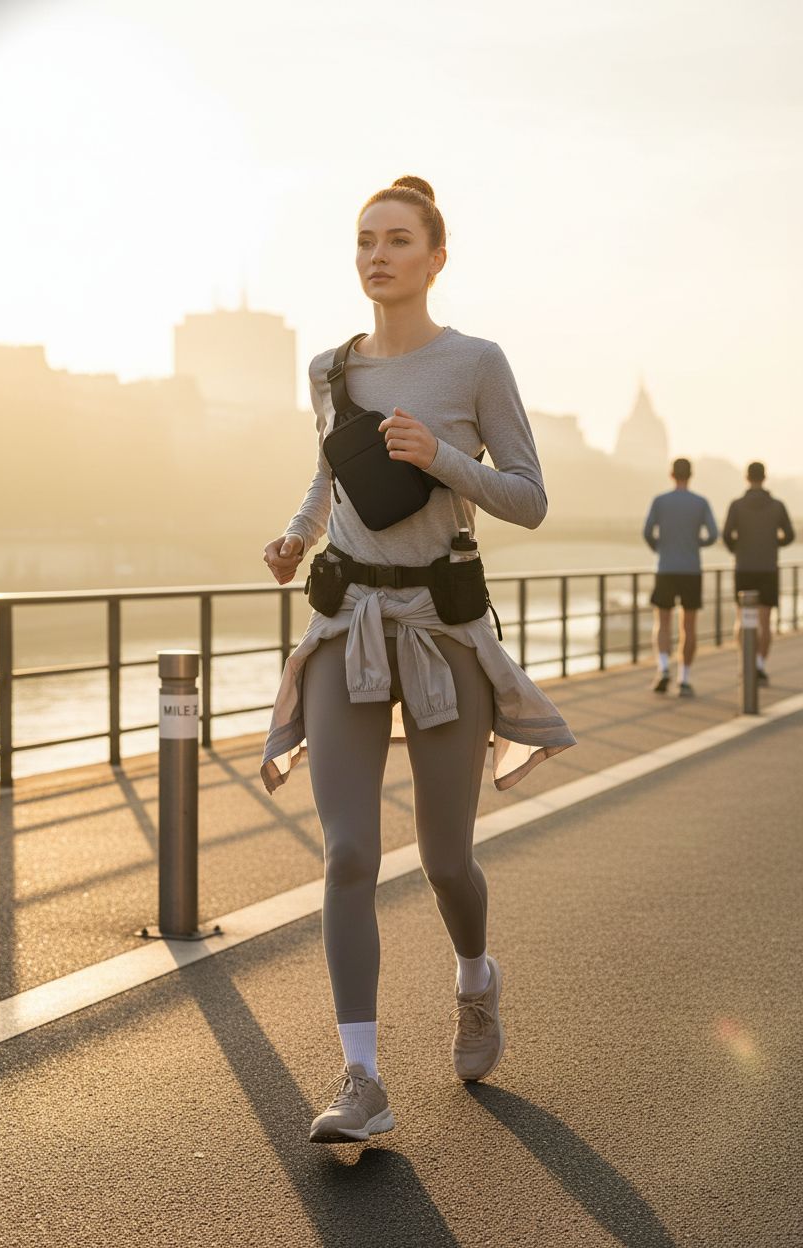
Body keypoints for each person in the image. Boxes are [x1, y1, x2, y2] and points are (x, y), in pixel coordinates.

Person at [261, 175, 576, 1144]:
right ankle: (362, 1079)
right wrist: (292, 538)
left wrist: (441, 457)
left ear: (436, 257)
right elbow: (328, 473)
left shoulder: (476, 362)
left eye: (398, 239)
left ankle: (475, 981)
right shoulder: (328, 368)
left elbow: (527, 497)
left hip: (443, 631)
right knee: (350, 851)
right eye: (365, 240)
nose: (377, 255)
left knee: (445, 859)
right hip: (343, 622)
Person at [643, 457, 718, 696]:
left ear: (671, 474)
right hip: (691, 569)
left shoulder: (660, 501)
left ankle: (664, 668)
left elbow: (647, 532)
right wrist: (697, 543)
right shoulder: (700, 503)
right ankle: (684, 679)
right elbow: (714, 534)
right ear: (691, 475)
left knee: (662, 622)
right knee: (689, 626)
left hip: (665, 568)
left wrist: (660, 548)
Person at [722, 462, 795, 682]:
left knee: (743, 619)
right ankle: (760, 665)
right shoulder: (777, 505)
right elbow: (790, 535)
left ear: (746, 477)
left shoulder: (736, 505)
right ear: (765, 478)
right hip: (768, 568)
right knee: (765, 621)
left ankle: (746, 663)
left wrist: (739, 548)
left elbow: (726, 535)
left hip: (744, 567)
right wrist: (773, 543)